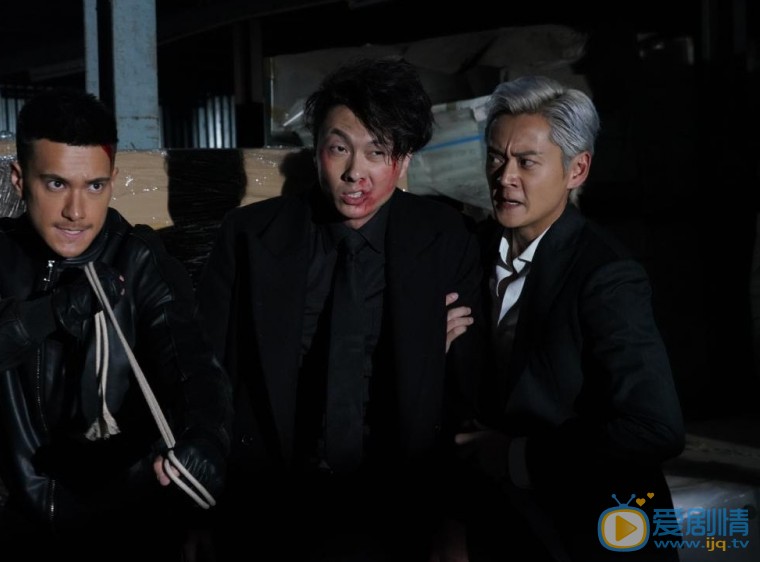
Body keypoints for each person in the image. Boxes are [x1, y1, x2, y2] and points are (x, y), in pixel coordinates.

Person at [0, 88, 233, 561]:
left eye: (94, 186)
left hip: (129, 521)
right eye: (56, 184)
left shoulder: (138, 259)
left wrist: (206, 436)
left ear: (113, 181)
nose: (76, 212)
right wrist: (52, 311)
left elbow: (193, 365)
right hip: (26, 521)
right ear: (20, 180)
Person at [195, 56, 485, 561]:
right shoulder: (250, 236)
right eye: (339, 149)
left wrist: (456, 521)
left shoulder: (445, 238)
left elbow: (467, 391)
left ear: (404, 160)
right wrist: (198, 508)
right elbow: (208, 373)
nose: (355, 173)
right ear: (317, 152)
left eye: (378, 152)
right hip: (271, 501)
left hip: (399, 501)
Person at [450, 75, 685, 561]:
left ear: (577, 170)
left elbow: (654, 428)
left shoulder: (605, 275)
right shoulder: (470, 251)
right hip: (498, 525)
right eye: (495, 157)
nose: (504, 177)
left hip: (593, 529)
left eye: (526, 162)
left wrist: (516, 455)